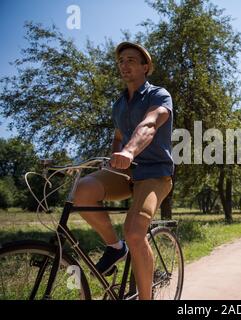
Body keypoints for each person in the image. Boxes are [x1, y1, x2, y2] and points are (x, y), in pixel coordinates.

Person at [74, 42, 174, 300]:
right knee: (82, 190)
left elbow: (149, 125)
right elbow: (118, 136)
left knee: (134, 232)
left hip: (155, 173)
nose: (124, 64)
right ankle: (115, 247)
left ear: (145, 67)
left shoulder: (159, 95)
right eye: (120, 61)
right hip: (126, 174)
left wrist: (129, 151)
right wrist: (114, 157)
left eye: (131, 60)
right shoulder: (119, 104)